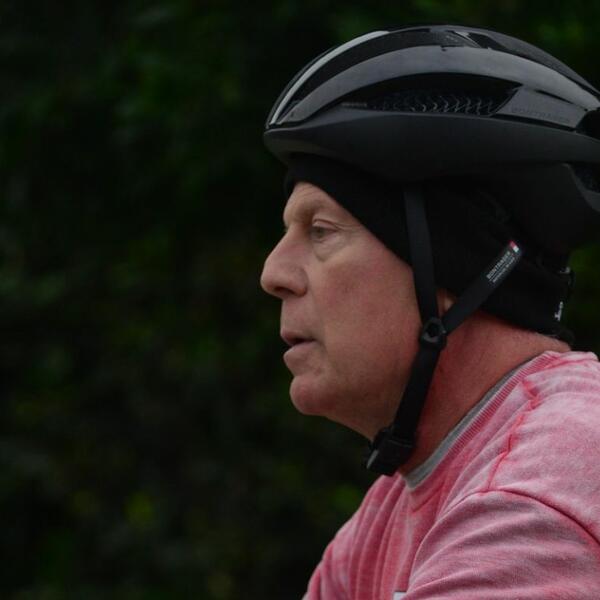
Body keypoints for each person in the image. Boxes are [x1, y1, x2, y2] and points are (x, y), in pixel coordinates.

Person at [260, 24, 600, 598]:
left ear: (451, 270)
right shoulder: (399, 505)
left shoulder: (535, 498)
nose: (273, 274)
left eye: (321, 231)